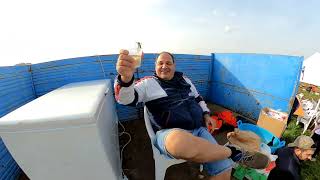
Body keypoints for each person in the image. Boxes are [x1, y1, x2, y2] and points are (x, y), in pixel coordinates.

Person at [114, 50, 270, 180]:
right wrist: (126, 79)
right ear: (155, 66)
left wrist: (207, 115)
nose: (164, 66)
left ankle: (231, 154)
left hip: (198, 129)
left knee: (225, 170)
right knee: (179, 142)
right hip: (170, 133)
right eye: (160, 63)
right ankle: (234, 152)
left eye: (168, 63)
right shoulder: (148, 84)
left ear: (174, 65)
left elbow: (198, 98)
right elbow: (125, 99)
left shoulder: (184, 79)